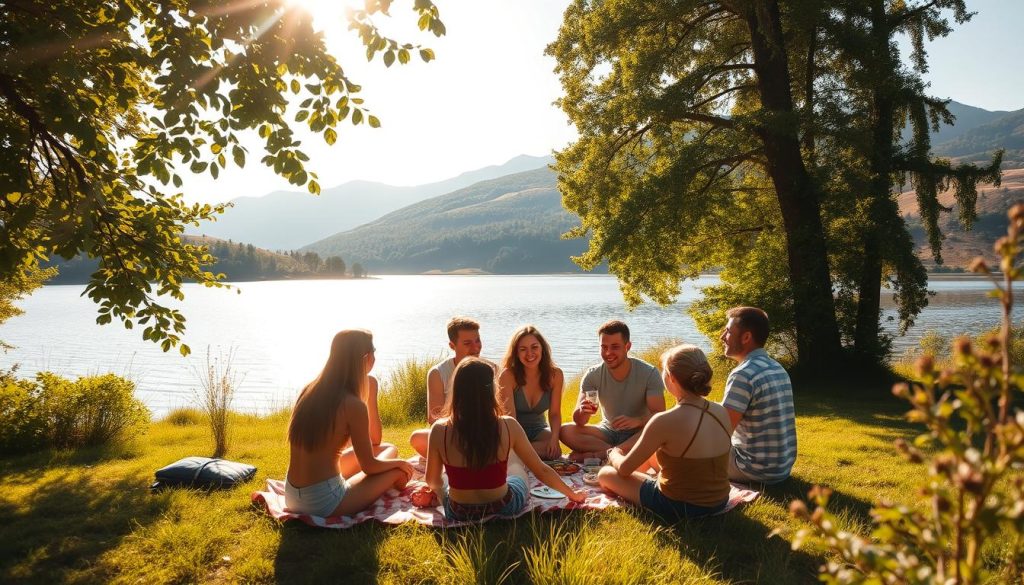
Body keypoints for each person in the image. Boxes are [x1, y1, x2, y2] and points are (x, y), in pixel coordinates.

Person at [424, 358, 585, 521]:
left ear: (456, 390)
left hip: (459, 511)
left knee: (444, 479)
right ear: (491, 391)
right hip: (503, 505)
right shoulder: (508, 425)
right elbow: (541, 470)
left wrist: (441, 492)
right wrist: (572, 494)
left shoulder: (439, 429)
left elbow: (431, 479)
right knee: (516, 467)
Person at [285, 330, 414, 517]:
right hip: (324, 503)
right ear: (366, 358)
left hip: (292, 495)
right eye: (374, 352)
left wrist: (369, 390)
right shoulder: (351, 404)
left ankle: (355, 483)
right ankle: (368, 485)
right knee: (398, 471)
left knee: (388, 449)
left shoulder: (309, 390)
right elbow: (369, 465)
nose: (375, 357)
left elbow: (375, 441)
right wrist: (401, 464)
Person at [598, 344, 732, 521]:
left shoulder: (664, 420)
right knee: (652, 454)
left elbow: (623, 469)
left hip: (679, 506)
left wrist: (614, 453)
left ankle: (638, 484)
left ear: (671, 378)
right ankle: (641, 481)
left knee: (606, 474)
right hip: (719, 501)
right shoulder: (720, 411)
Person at [561, 320, 666, 460]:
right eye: (604, 347)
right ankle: (616, 453)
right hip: (608, 432)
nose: (608, 353)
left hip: (638, 432)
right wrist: (583, 411)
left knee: (657, 430)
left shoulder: (649, 373)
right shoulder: (593, 375)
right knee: (565, 431)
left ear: (627, 346)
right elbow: (580, 421)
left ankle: (602, 454)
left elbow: (659, 416)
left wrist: (638, 421)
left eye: (615, 347)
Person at [719, 306, 797, 484]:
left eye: (728, 331)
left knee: (684, 444)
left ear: (746, 337)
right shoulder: (776, 367)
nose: (722, 337)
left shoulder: (743, 374)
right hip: (781, 468)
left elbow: (722, 430)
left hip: (752, 468)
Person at [410, 317, 490, 457]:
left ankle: (456, 459)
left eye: (477, 340)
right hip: (454, 433)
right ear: (452, 345)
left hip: (484, 432)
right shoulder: (438, 373)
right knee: (417, 439)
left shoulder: (491, 369)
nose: (475, 347)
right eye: (467, 343)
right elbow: (435, 418)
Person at [496, 325, 564, 460]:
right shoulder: (508, 375)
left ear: (542, 349)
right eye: (523, 349)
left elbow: (555, 414)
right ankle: (519, 454)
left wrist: (554, 439)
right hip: (513, 430)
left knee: (555, 451)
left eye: (534, 347)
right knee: (509, 448)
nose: (529, 354)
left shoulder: (555, 375)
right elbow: (510, 419)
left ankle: (518, 455)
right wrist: (518, 444)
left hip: (538, 429)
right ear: (516, 352)